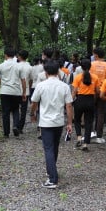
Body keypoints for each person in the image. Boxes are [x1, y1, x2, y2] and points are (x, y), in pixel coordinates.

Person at [30, 60, 74, 189]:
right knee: (55, 147)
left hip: (46, 122)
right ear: (58, 71)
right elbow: (69, 105)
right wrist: (70, 123)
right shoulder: (64, 86)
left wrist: (32, 114)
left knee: (48, 148)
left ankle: (52, 179)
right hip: (59, 121)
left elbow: (34, 102)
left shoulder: (41, 86)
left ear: (46, 71)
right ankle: (52, 170)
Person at [0, 47, 26, 137]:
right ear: (14, 55)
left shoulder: (1, 66)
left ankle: (6, 133)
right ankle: (15, 126)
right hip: (16, 91)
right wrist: (24, 93)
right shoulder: (19, 66)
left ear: (5, 55)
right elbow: (23, 81)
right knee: (16, 109)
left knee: (5, 112)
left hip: (4, 91)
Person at [71, 59, 99, 152]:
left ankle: (79, 137)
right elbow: (97, 91)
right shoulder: (95, 77)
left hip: (80, 100)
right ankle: (85, 144)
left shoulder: (78, 77)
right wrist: (94, 100)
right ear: (90, 67)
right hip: (90, 100)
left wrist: (70, 101)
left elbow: (74, 91)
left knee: (77, 120)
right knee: (88, 122)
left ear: (81, 67)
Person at [90, 47, 106, 143]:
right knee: (101, 113)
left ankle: (90, 132)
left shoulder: (91, 64)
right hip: (103, 91)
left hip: (92, 91)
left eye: (93, 54)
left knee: (89, 112)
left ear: (96, 55)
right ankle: (99, 135)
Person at [16, 49, 33, 134]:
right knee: (23, 110)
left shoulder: (16, 66)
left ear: (19, 56)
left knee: (15, 109)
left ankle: (15, 125)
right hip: (25, 91)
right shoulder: (30, 67)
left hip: (15, 90)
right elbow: (31, 80)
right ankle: (20, 127)